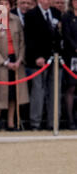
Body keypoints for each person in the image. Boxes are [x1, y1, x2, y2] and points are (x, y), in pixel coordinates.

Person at [0, 0, 29, 130]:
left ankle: (11, 122)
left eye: (7, 4)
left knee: (13, 94)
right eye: (1, 4)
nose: (4, 7)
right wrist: (3, 62)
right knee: (0, 93)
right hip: (0, 63)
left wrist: (19, 59)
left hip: (15, 60)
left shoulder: (16, 20)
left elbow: (22, 42)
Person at [24, 0, 62, 130]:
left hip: (55, 59)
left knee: (54, 91)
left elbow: (58, 35)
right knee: (38, 92)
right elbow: (29, 38)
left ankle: (53, 122)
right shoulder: (31, 15)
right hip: (38, 60)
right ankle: (35, 122)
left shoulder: (56, 13)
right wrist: (36, 56)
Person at [62, 0, 77, 129]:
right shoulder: (67, 16)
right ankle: (70, 120)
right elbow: (66, 35)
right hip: (72, 56)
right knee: (71, 87)